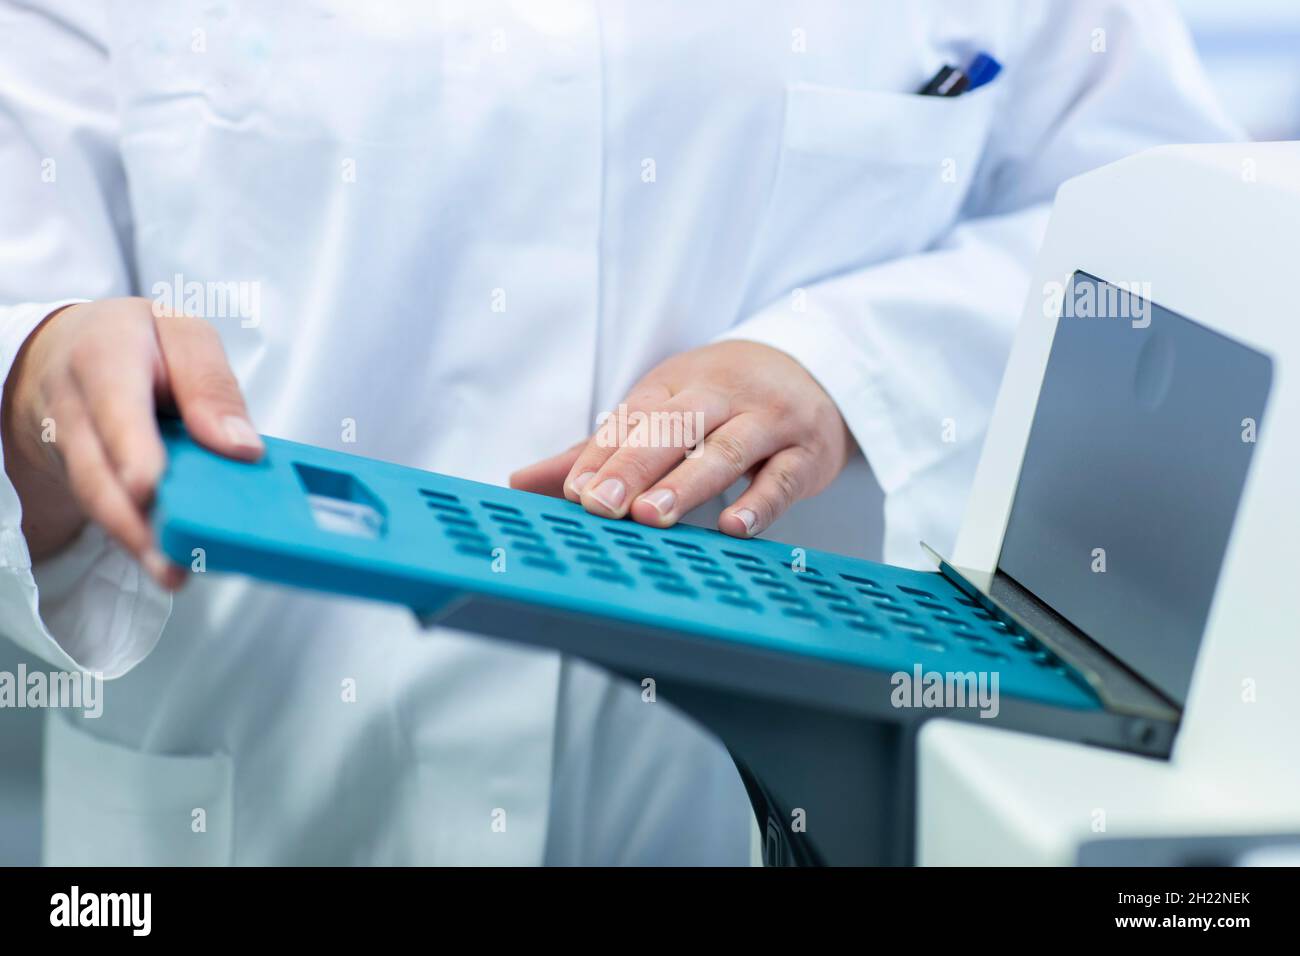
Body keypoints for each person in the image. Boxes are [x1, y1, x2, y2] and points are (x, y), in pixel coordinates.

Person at [0, 1, 1236, 864]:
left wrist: (852, 364)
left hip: (742, 815)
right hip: (262, 793)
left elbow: (1177, 231)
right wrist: (38, 372)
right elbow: (27, 277)